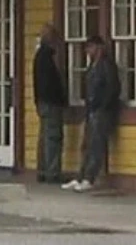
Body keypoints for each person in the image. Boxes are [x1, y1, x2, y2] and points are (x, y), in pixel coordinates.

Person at [63, 34, 121, 193]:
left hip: (102, 111)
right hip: (91, 110)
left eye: (90, 47)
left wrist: (103, 106)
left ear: (99, 47)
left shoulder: (107, 65)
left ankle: (89, 178)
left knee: (96, 145)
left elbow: (113, 88)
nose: (88, 51)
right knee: (86, 145)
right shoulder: (92, 66)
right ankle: (80, 176)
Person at [33, 23, 67, 184]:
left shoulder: (39, 56)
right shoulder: (47, 58)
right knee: (52, 137)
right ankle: (52, 173)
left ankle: (42, 170)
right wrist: (61, 99)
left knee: (44, 137)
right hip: (51, 103)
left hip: (41, 102)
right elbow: (51, 84)